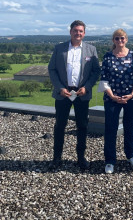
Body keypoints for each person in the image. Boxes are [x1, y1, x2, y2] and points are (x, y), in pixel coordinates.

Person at [48, 20, 101, 169]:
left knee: (82, 126)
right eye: (75, 30)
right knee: (60, 126)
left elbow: (96, 71)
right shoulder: (59, 49)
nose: (78, 33)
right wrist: (59, 88)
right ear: (70, 31)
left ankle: (80, 157)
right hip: (63, 93)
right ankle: (57, 158)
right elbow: (52, 69)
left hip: (81, 93)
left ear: (84, 33)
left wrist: (87, 87)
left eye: (81, 31)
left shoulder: (91, 49)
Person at [98, 29, 133, 174]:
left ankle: (131, 155)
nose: (120, 41)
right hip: (112, 98)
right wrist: (112, 96)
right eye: (117, 38)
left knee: (129, 125)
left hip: (131, 98)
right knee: (110, 128)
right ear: (113, 40)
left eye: (122, 38)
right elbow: (104, 79)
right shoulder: (108, 57)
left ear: (126, 39)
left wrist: (131, 94)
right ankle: (110, 160)